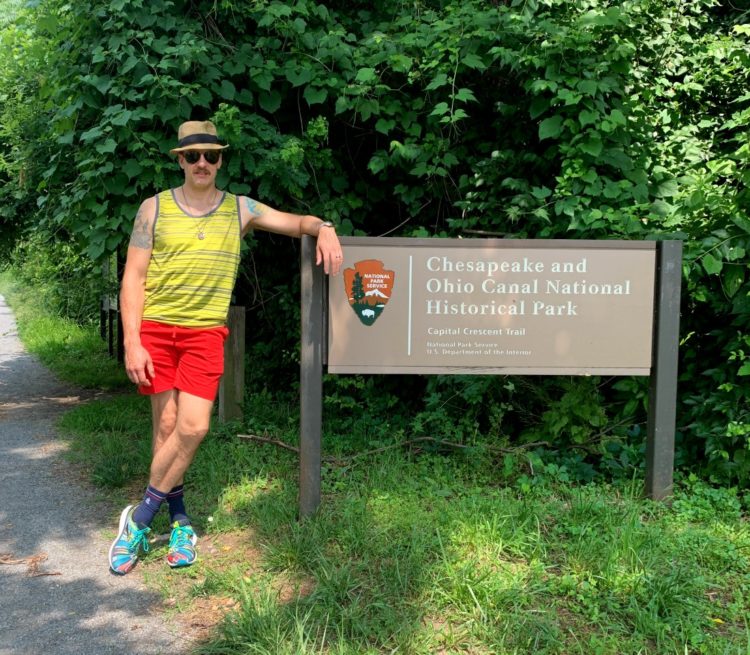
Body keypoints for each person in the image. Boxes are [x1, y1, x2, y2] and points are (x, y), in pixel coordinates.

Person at [109, 120, 343, 575]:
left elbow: (295, 223)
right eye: (193, 155)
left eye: (211, 156)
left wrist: (325, 227)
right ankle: (179, 523)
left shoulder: (240, 209)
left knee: (193, 428)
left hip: (204, 335)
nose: (202, 163)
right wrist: (132, 342)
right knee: (167, 428)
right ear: (179, 159)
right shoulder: (152, 209)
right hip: (157, 331)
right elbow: (132, 279)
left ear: (220, 160)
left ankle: (137, 521)